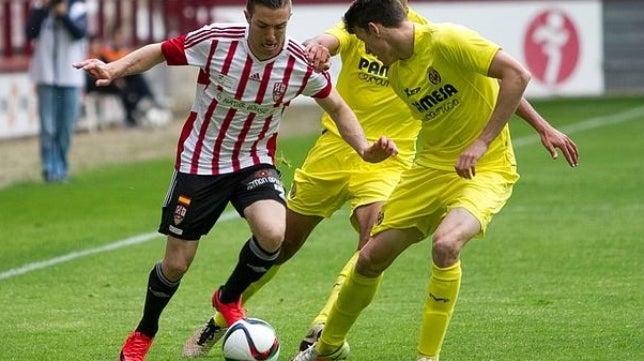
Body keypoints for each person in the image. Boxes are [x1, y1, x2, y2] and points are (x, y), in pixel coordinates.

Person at [183, 0, 580, 358]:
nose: (369, 52)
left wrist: (529, 128)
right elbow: (331, 39)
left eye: (369, 43)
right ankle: (222, 319)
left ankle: (324, 333)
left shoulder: (434, 37)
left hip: (395, 160)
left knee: (394, 242)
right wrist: (318, 48)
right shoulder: (371, 37)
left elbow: (500, 76)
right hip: (341, 151)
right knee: (284, 244)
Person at [73, 1, 397, 360]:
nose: (272, 36)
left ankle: (228, 298)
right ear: (247, 17)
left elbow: (337, 107)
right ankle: (145, 330)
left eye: (280, 26)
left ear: (289, 19)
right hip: (200, 162)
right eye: (263, 26)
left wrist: (364, 148)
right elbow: (160, 52)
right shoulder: (216, 41)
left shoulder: (298, 63)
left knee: (275, 234)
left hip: (253, 161)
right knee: (176, 265)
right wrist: (113, 69)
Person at [26, 0, 88, 183]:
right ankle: (50, 169)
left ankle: (61, 166)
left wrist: (63, 14)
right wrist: (45, 10)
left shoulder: (77, 7)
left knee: (65, 127)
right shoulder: (39, 7)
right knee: (48, 127)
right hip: (46, 75)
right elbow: (30, 32)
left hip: (70, 76)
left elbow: (79, 33)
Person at [85, 25, 164, 128]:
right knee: (124, 87)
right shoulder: (96, 56)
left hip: (113, 81)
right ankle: (135, 110)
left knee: (136, 76)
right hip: (99, 85)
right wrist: (116, 79)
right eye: (95, 43)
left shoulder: (119, 52)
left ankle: (145, 100)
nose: (97, 46)